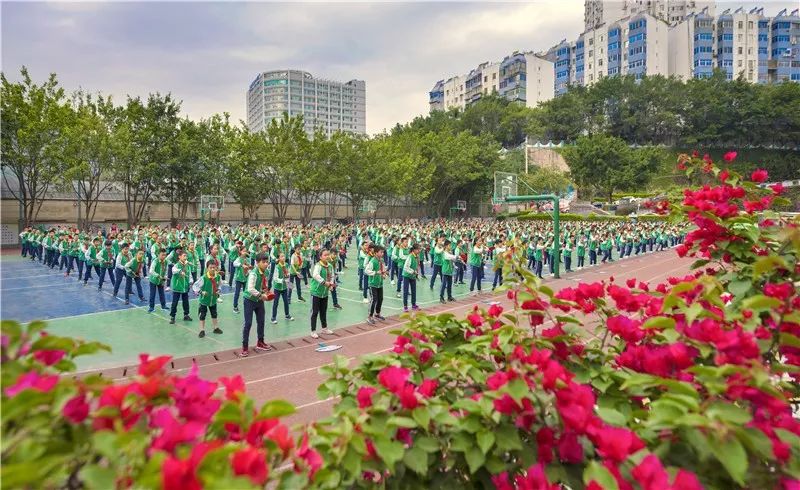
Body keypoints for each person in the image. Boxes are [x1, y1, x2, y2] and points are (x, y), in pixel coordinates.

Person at [241, 253, 275, 357]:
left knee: (261, 321)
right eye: (263, 262)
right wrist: (261, 295)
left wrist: (266, 292)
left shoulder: (266, 272)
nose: (266, 264)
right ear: (257, 263)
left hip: (259, 300)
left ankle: (260, 342)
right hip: (249, 300)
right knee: (248, 323)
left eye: (267, 262)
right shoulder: (253, 273)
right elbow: (250, 289)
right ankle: (245, 347)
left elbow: (263, 285)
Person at [309, 249, 335, 339]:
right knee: (315, 312)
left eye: (328, 254)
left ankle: (324, 328)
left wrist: (331, 284)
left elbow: (332, 276)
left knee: (323, 311)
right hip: (316, 292)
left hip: (325, 293)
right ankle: (313, 331)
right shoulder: (318, 265)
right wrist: (324, 283)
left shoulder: (330, 266)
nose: (327, 256)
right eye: (325, 255)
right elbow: (315, 275)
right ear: (320, 257)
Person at [195, 261, 223, 339]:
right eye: (210, 268)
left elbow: (220, 284)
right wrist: (201, 292)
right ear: (207, 269)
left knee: (214, 314)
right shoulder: (203, 278)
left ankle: (215, 328)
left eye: (214, 267)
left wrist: (219, 290)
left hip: (213, 300)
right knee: (202, 315)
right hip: (204, 301)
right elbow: (195, 286)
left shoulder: (218, 277)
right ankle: (202, 330)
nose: (212, 269)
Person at [365, 244, 387, 325]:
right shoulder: (372, 261)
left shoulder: (381, 261)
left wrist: (384, 274)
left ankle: (377, 314)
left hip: (380, 283)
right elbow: (366, 271)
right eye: (381, 252)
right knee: (374, 299)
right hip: (373, 284)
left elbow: (383, 269)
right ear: (376, 253)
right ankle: (369, 316)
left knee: (380, 298)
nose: (382, 254)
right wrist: (375, 272)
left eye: (383, 252)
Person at [270, 252, 294, 324]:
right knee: (276, 303)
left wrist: (288, 277)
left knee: (286, 302)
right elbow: (275, 278)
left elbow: (288, 273)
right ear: (279, 258)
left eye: (284, 256)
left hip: (284, 288)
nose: (283, 257)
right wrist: (282, 280)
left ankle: (287, 315)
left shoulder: (286, 265)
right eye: (281, 256)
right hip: (277, 288)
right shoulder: (277, 267)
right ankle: (273, 318)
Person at [168, 250, 192, 324]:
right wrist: (180, 271)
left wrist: (190, 282)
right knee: (175, 303)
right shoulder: (176, 265)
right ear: (179, 257)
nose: (185, 257)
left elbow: (190, 275)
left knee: (186, 302)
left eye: (186, 256)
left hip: (185, 287)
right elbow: (173, 270)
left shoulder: (188, 266)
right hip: (177, 287)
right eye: (184, 256)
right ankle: (172, 317)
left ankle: (186, 315)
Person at [402, 243, 420, 312]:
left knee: (414, 291)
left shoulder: (416, 256)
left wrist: (416, 273)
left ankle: (413, 305)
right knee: (406, 291)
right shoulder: (410, 256)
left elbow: (417, 265)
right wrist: (413, 271)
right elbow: (406, 267)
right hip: (406, 275)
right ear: (414, 250)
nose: (419, 250)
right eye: (418, 249)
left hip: (413, 276)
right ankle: (405, 306)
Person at [232, 247, 250, 314]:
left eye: (246, 251)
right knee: (237, 293)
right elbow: (234, 263)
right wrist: (242, 265)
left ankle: (247, 305)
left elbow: (249, 268)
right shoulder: (238, 259)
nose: (245, 252)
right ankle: (235, 307)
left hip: (245, 278)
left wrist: (248, 270)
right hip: (239, 279)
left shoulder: (247, 259)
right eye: (243, 251)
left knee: (246, 293)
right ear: (240, 252)